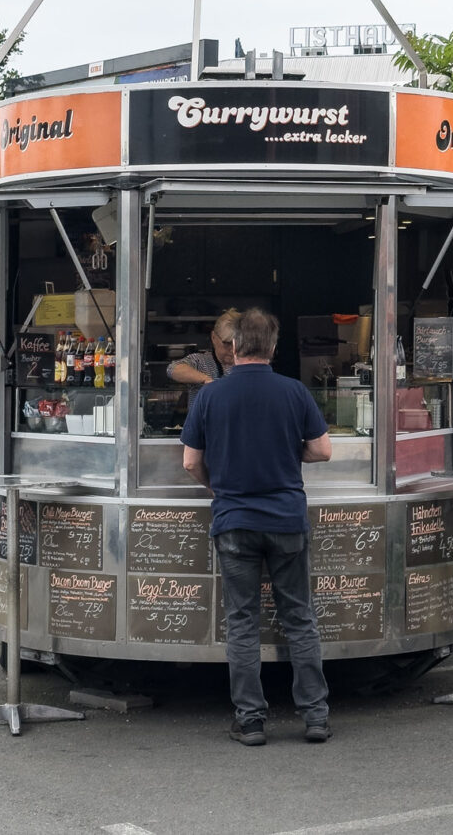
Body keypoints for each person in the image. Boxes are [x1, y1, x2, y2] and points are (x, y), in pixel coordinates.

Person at [181, 307, 332, 747]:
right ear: (273, 347)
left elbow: (190, 461)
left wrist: (216, 487)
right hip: (286, 520)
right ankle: (315, 717)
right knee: (299, 617)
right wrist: (287, 452)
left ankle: (250, 721)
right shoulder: (294, 391)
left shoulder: (211, 395)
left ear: (233, 346)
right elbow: (322, 450)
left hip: (234, 521)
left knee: (243, 622)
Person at [167, 308, 240, 408]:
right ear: (213, 337)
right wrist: (205, 380)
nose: (232, 349)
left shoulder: (248, 364)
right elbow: (173, 369)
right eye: (227, 343)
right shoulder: (200, 361)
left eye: (238, 343)